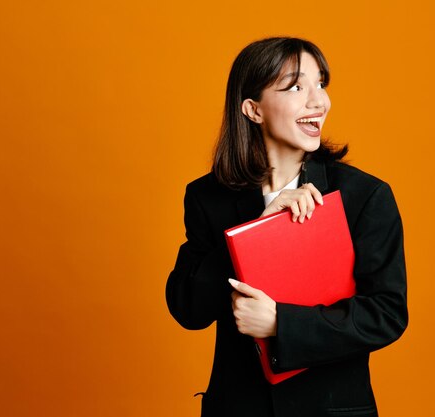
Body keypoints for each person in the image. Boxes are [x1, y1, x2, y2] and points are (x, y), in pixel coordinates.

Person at [166, 37, 408, 417]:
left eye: (320, 84)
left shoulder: (364, 195)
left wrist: (282, 323)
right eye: (296, 86)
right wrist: (251, 232)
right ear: (253, 110)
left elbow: (386, 314)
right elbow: (187, 308)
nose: (318, 101)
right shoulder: (206, 196)